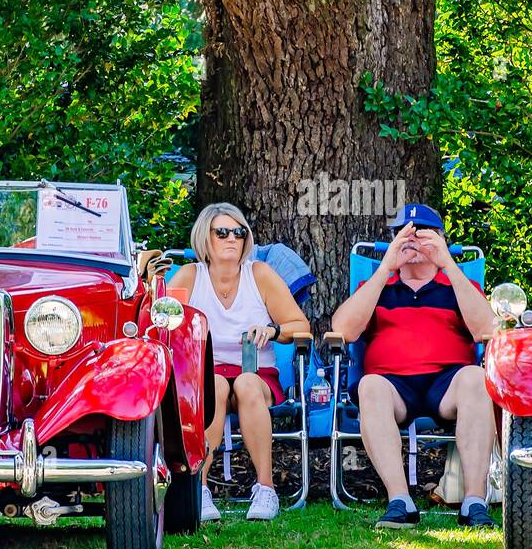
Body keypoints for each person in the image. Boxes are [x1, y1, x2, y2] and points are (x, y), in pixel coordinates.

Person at [330, 203, 497, 528]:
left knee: (478, 379)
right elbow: (344, 330)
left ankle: (474, 502)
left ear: (440, 239)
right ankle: (400, 502)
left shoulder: (459, 286)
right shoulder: (377, 287)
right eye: (404, 235)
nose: (414, 240)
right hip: (393, 385)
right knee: (370, 385)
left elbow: (485, 329)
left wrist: (447, 263)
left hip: (448, 382)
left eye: (424, 234)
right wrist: (385, 268)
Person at [169, 203, 310, 521]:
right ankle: (199, 490)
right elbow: (165, 322)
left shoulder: (259, 274)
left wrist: (272, 330)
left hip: (256, 373)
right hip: (207, 374)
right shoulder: (191, 276)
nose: (232, 238)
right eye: (222, 232)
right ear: (206, 238)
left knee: (245, 384)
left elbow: (301, 328)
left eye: (238, 232)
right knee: (215, 385)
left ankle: (266, 489)